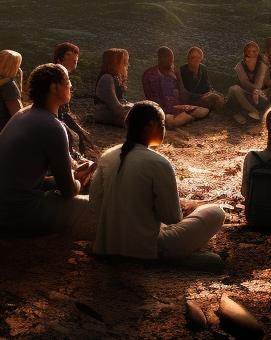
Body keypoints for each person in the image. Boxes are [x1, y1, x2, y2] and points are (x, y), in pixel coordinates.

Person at [91, 101, 226, 261]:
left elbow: (94, 204)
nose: (164, 129)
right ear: (151, 125)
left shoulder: (107, 156)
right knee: (215, 212)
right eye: (162, 124)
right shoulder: (159, 162)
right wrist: (184, 209)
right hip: (147, 249)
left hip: (107, 246)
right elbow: (172, 218)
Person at [0, 63, 98, 238]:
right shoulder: (51, 126)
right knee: (101, 210)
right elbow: (68, 191)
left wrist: (73, 174)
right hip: (22, 216)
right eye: (67, 81)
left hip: (1, 211)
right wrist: (78, 180)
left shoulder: (23, 114)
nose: (71, 85)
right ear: (53, 88)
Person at [142, 46, 210, 128]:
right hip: (162, 110)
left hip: (178, 107)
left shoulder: (174, 74)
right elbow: (149, 96)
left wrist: (201, 98)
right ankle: (181, 119)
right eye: (164, 57)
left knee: (205, 111)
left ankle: (183, 118)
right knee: (170, 119)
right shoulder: (150, 74)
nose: (168, 60)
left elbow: (184, 93)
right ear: (159, 58)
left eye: (170, 58)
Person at [54, 42, 101, 157]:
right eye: (72, 56)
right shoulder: (55, 75)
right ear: (60, 59)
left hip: (63, 114)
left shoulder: (64, 74)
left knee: (79, 135)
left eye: (76, 56)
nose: (76, 60)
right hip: (56, 116)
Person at [228, 41, 270, 122]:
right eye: (249, 51)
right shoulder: (240, 66)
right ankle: (253, 111)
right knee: (234, 89)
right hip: (245, 93)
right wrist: (254, 90)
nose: (251, 53)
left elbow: (259, 82)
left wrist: (256, 91)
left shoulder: (262, 65)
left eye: (254, 51)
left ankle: (253, 113)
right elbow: (244, 82)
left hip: (259, 95)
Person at [93, 49, 134, 127]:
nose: (126, 64)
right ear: (116, 62)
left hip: (116, 111)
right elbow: (116, 108)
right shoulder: (107, 78)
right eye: (124, 61)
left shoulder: (116, 77)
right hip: (108, 114)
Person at [180, 46, 226, 112]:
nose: (195, 60)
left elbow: (207, 85)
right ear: (188, 58)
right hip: (190, 99)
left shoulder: (203, 68)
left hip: (203, 95)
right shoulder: (182, 70)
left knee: (219, 97)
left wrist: (211, 93)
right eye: (193, 58)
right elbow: (183, 92)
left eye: (197, 58)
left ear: (200, 59)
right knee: (211, 100)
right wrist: (202, 96)